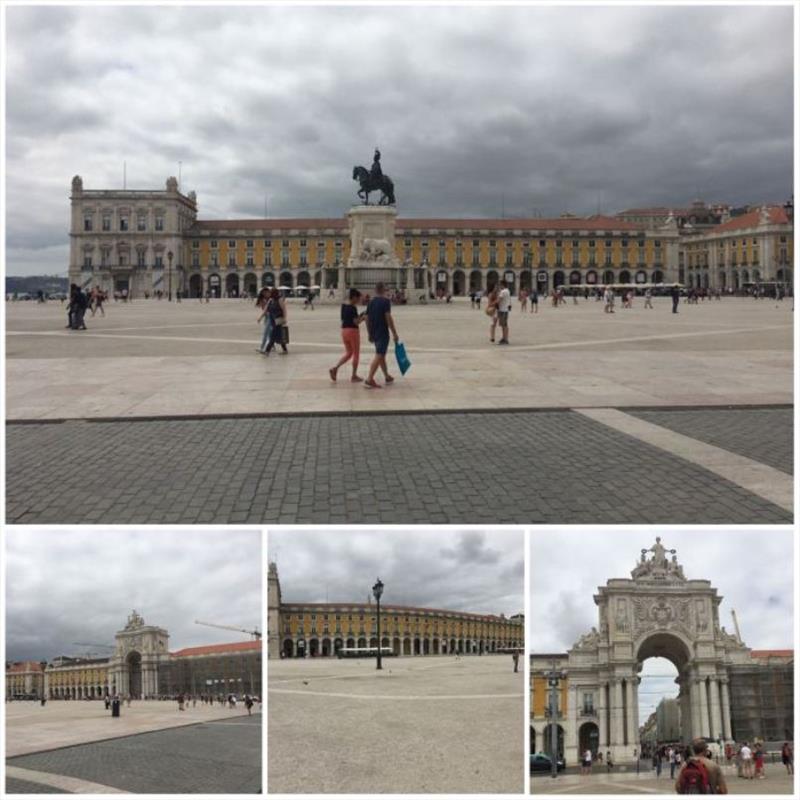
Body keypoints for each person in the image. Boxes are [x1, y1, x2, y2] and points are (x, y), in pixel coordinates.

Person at [364, 282, 399, 389]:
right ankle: (369, 379)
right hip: (382, 332)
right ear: (383, 290)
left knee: (381, 354)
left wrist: (369, 333)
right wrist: (394, 333)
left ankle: (387, 376)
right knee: (379, 354)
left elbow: (366, 319)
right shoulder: (385, 302)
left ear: (375, 290)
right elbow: (388, 318)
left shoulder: (371, 302)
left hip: (374, 332)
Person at [330, 288, 365, 382]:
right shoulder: (353, 308)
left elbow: (344, 319)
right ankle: (354, 375)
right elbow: (355, 322)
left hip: (344, 331)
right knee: (356, 354)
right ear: (353, 297)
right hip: (353, 331)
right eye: (357, 298)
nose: (358, 301)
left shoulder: (344, 306)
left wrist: (359, 316)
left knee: (349, 353)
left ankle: (335, 368)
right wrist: (363, 318)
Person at [264, 288, 288, 355]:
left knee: (273, 335)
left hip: (278, 320)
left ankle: (267, 350)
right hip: (273, 320)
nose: (269, 294)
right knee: (279, 335)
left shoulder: (279, 299)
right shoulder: (271, 300)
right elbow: (266, 309)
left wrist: (285, 319)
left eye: (271, 293)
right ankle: (285, 350)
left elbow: (284, 309)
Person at [255, 288, 272, 354]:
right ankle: (271, 347)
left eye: (267, 292)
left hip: (270, 317)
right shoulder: (263, 299)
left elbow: (265, 310)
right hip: (267, 317)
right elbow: (262, 308)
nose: (266, 294)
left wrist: (260, 317)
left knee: (265, 333)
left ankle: (262, 348)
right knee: (270, 334)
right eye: (264, 293)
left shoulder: (270, 300)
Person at [496, 279, 511, 344]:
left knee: (504, 325)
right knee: (504, 325)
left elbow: (498, 300)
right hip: (505, 309)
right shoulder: (507, 290)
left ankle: (505, 339)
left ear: (502, 285)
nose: (499, 286)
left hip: (503, 310)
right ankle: (504, 338)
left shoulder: (503, 291)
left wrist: (491, 304)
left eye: (500, 285)